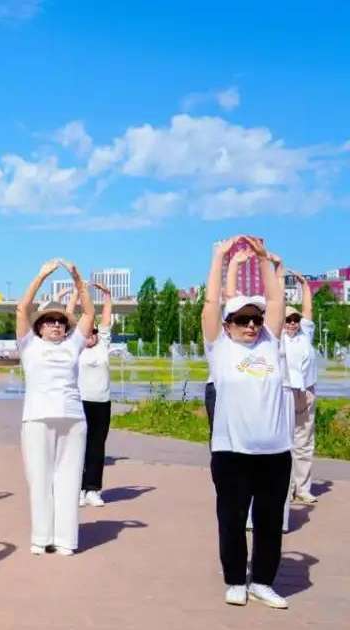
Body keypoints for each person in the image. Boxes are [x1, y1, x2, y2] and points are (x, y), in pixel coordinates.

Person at [202, 236, 292, 609]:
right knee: (233, 519)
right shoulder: (220, 349)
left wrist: (262, 261)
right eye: (243, 320)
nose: (252, 325)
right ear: (227, 325)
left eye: (255, 320)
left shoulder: (270, 344)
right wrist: (219, 258)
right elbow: (210, 303)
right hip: (232, 451)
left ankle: (264, 582)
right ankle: (236, 579)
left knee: (270, 523)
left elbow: (275, 302)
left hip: (275, 451)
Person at [14, 258, 94, 557]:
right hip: (37, 418)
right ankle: (41, 538)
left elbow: (88, 312)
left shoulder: (74, 345)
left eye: (60, 321)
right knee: (40, 479)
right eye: (50, 321)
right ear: (39, 326)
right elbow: (22, 308)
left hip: (73, 419)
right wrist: (41, 275)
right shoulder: (29, 346)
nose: (56, 325)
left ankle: (66, 540)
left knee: (69, 479)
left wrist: (77, 279)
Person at [78, 282, 114, 508]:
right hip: (80, 403)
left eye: (94, 331)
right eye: (87, 331)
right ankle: (78, 489)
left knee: (97, 447)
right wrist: (78, 294)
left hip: (102, 403)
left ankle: (93, 489)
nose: (91, 334)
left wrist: (108, 296)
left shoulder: (104, 345)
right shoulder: (75, 348)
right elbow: (76, 318)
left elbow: (106, 320)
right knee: (78, 447)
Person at [283, 270, 318, 505]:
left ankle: (303, 488)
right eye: (288, 320)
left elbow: (308, 311)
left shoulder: (305, 335)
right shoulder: (274, 337)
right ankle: (285, 487)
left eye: (295, 320)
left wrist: (305, 285)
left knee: (304, 441)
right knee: (285, 442)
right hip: (284, 393)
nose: (293, 323)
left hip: (306, 392)